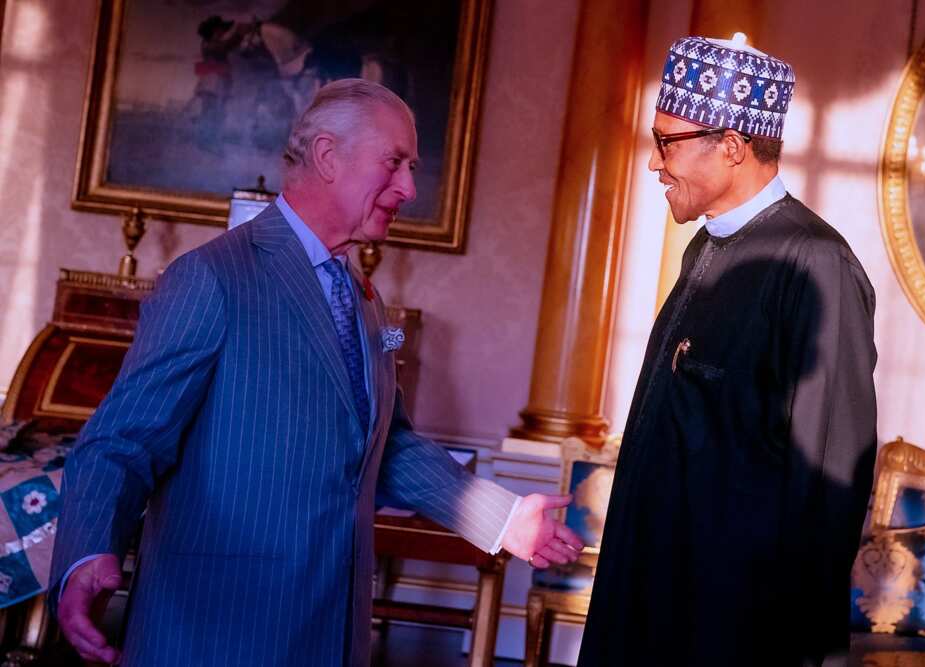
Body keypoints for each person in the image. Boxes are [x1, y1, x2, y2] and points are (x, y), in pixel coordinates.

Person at [50, 78, 583, 666]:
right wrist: (86, 551)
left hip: (331, 634)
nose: (408, 187)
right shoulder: (213, 278)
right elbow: (121, 440)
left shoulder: (369, 302)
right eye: (395, 163)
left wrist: (505, 518)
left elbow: (388, 445)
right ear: (329, 156)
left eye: (412, 167)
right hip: (214, 632)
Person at [578, 35, 877, 666]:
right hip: (656, 600)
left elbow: (828, 479)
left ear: (734, 146)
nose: (655, 162)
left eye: (668, 142)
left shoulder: (815, 264)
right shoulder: (706, 247)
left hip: (731, 628)